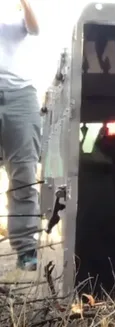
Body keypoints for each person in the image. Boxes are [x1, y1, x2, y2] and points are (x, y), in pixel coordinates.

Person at [0, 0, 42, 271]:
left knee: (24, 175)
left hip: (20, 96)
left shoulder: (17, 11)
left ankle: (26, 249)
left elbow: (35, 28)